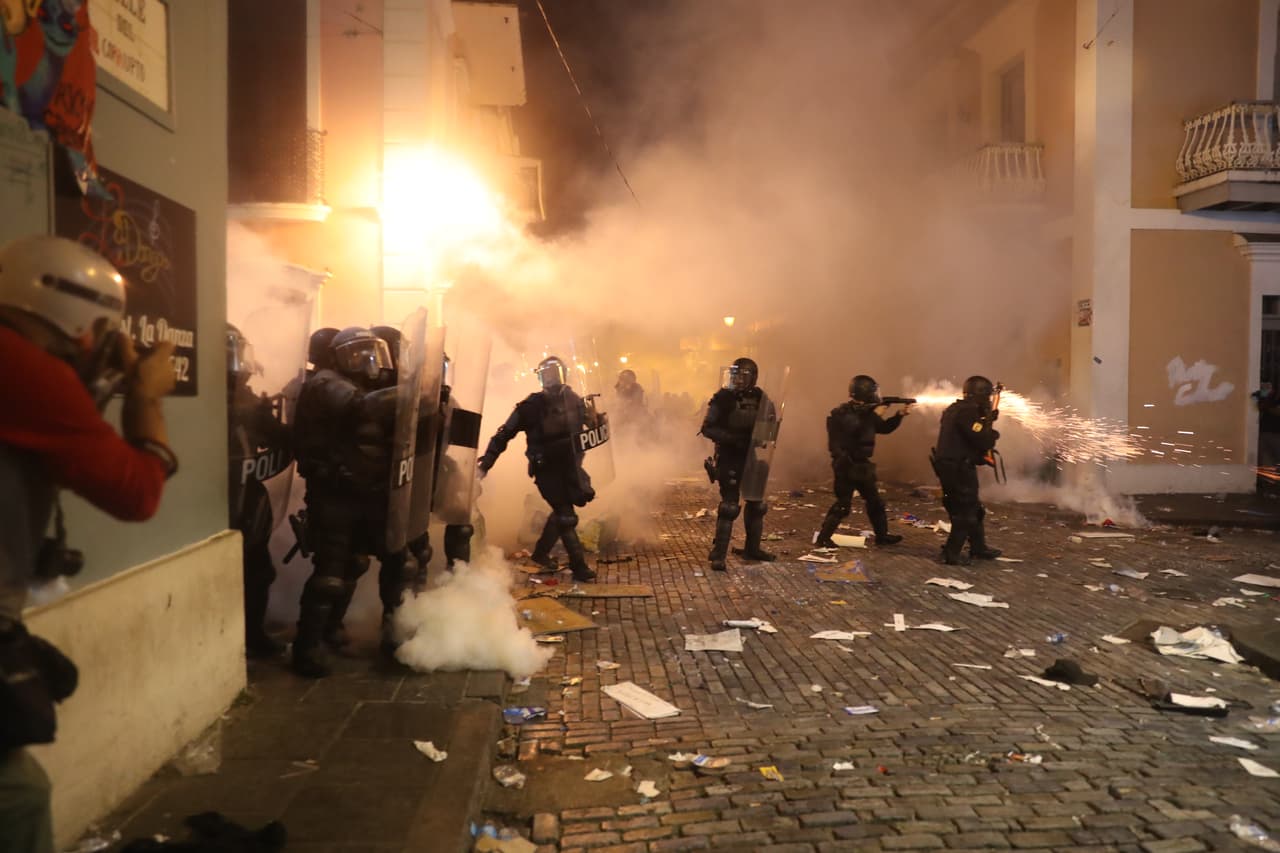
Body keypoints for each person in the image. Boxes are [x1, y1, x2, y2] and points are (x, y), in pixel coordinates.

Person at [0, 235, 177, 853]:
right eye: (103, 326)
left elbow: (63, 430)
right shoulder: (26, 369)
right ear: (77, 316)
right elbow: (136, 492)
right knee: (16, 799)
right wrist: (148, 396)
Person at [290, 326, 403, 677]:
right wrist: (415, 390)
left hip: (366, 492)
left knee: (355, 563)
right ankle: (306, 648)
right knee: (330, 575)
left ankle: (332, 629)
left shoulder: (366, 385)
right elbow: (361, 408)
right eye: (360, 354)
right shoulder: (324, 383)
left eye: (373, 352)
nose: (369, 362)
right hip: (334, 494)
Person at [478, 356, 597, 582]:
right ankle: (579, 566)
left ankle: (541, 554)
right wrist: (486, 464)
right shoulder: (531, 406)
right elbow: (503, 435)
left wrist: (596, 420)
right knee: (566, 515)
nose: (552, 380)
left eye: (556, 374)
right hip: (546, 469)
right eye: (547, 375)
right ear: (541, 377)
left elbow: (590, 426)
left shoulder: (574, 400)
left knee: (563, 510)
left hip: (571, 466)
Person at [226, 323, 290, 657]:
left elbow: (272, 436)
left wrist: (273, 424)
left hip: (246, 495)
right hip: (214, 497)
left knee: (258, 570)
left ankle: (252, 635)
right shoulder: (202, 397)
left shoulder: (245, 397)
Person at [815, 375, 910, 547]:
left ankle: (882, 536)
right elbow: (855, 429)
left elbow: (884, 428)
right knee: (843, 505)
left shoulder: (867, 413)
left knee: (875, 502)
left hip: (861, 465)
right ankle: (823, 538)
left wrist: (899, 415)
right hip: (846, 464)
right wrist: (873, 416)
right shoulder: (842, 414)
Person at [699, 357, 775, 572]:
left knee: (757, 505)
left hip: (751, 456)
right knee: (729, 506)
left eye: (745, 375)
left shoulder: (761, 397)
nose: (740, 379)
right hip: (730, 455)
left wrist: (762, 436)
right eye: (736, 374)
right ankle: (719, 555)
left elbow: (770, 424)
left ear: (753, 377)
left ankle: (753, 549)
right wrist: (733, 438)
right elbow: (707, 428)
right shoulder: (723, 397)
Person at [930, 376, 1003, 565]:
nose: (988, 399)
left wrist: (985, 419)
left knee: (974, 509)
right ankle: (951, 553)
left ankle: (978, 548)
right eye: (987, 395)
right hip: (957, 467)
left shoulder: (956, 409)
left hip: (952, 466)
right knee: (966, 512)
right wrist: (991, 432)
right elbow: (982, 440)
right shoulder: (967, 413)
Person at [1255, 383, 1280, 488]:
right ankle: (1264, 481)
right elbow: (1261, 407)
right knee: (1263, 458)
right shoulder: (1271, 398)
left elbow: (1275, 411)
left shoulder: (1272, 400)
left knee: (1275, 458)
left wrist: (1268, 404)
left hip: (1276, 434)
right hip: (1264, 432)